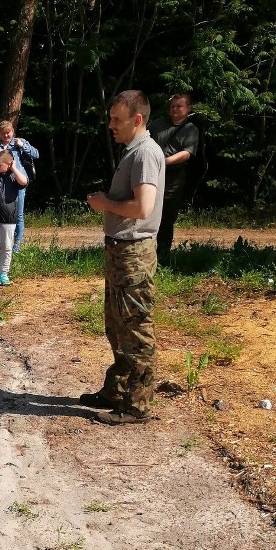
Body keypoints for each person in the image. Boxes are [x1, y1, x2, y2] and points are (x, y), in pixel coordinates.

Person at [82, 89, 165, 425]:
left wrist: (104, 204)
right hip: (121, 252)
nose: (111, 125)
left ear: (137, 119)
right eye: (111, 117)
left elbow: (143, 208)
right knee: (117, 326)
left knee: (136, 329)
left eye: (117, 119)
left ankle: (137, 405)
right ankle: (117, 389)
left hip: (133, 253)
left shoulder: (145, 153)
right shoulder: (133, 151)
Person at [149, 92, 200, 266]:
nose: (175, 109)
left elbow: (187, 153)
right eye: (173, 106)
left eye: (179, 106)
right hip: (151, 173)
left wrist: (164, 162)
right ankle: (145, 255)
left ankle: (163, 257)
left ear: (188, 108)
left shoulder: (191, 129)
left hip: (173, 177)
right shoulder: (156, 124)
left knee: (167, 218)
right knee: (146, 214)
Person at [0, 120, 39, 253]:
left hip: (19, 181)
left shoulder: (19, 143)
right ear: (0, 134)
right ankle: (5, 243)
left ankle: (16, 245)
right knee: (5, 211)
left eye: (8, 132)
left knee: (19, 215)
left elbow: (36, 154)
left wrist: (23, 146)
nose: (6, 135)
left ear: (13, 132)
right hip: (2, 184)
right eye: (3, 133)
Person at [0, 150, 28, 286]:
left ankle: (3, 273)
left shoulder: (13, 177)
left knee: (7, 247)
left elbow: (24, 181)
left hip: (9, 218)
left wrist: (14, 168)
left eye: (0, 165)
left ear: (9, 164)